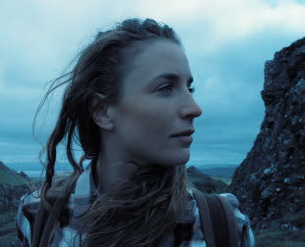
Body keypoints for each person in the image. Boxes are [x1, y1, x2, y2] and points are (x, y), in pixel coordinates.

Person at [16, 18, 255, 246]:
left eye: (189, 88)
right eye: (166, 88)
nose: (194, 108)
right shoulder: (39, 214)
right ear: (103, 111)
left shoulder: (224, 223)